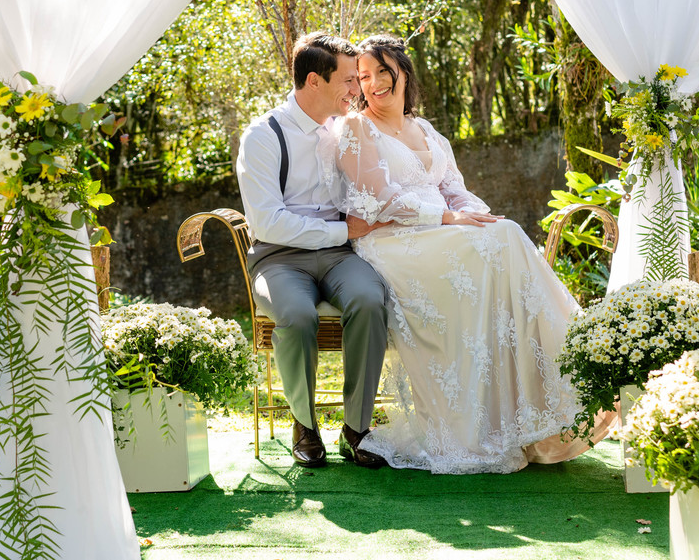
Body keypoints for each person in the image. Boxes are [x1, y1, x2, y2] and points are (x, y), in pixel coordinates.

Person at [319, 34, 614, 474]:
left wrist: (475, 215)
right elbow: (381, 199)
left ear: (403, 72)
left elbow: (455, 189)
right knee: (505, 240)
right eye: (363, 76)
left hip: (440, 232)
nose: (374, 83)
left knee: (504, 233)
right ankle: (550, 388)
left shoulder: (427, 130)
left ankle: (545, 405)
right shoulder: (356, 128)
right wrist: (447, 218)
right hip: (392, 241)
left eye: (382, 71)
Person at [235, 32, 391, 469]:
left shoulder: (345, 128)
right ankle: (304, 425)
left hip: (341, 256)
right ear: (313, 81)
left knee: (369, 299)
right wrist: (342, 230)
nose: (357, 89)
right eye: (347, 80)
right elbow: (267, 222)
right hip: (279, 257)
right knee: (298, 315)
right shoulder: (263, 136)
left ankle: (357, 428)